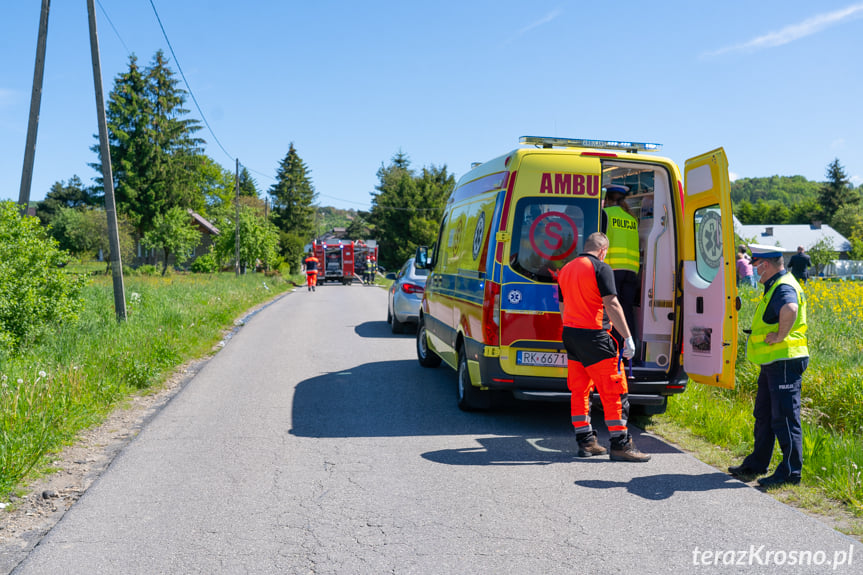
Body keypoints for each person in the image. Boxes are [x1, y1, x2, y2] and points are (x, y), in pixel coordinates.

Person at [557, 232, 650, 462]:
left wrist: (572, 327)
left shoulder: (566, 269)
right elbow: (612, 303)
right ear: (603, 250)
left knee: (579, 389)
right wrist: (627, 337)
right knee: (614, 389)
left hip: (570, 334)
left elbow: (562, 304)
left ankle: (586, 441)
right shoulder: (601, 268)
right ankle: (620, 444)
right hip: (595, 336)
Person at [728, 244, 809, 487]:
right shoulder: (776, 283)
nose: (754, 271)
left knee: (784, 418)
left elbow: (790, 308)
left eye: (756, 266)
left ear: (764, 264)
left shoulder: (783, 286)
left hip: (784, 359)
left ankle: (790, 472)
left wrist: (780, 335)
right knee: (764, 414)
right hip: (772, 361)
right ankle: (757, 464)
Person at [602, 184, 640, 353]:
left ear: (608, 199)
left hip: (612, 269)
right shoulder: (632, 219)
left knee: (611, 310)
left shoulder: (606, 214)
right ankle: (628, 350)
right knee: (626, 310)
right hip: (631, 271)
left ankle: (614, 348)